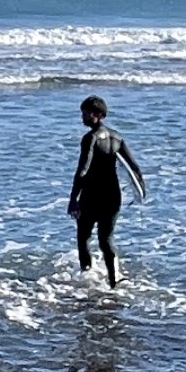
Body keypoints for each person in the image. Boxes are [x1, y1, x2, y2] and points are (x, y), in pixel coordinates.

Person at [68, 95, 145, 288]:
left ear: (98, 114)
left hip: (92, 195)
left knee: (83, 237)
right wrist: (141, 192)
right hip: (113, 196)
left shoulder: (90, 138)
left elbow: (83, 169)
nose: (82, 117)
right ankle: (113, 280)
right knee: (106, 238)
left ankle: (86, 277)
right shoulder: (117, 137)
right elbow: (134, 167)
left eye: (86, 113)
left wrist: (73, 199)